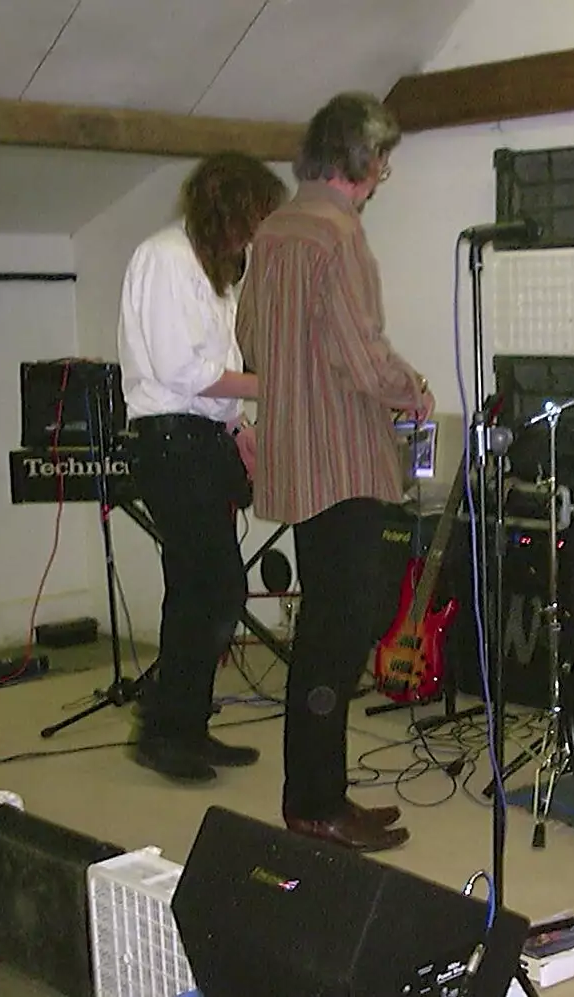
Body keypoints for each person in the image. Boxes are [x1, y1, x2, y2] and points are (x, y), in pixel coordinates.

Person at [237, 92, 432, 852]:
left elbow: (250, 336)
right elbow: (360, 353)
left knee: (323, 629)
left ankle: (316, 795)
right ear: (361, 158)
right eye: (381, 160)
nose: (384, 176)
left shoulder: (275, 229)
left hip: (295, 458)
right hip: (346, 461)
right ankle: (317, 803)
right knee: (342, 632)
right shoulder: (339, 233)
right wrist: (410, 389)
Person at [117, 152, 287, 783]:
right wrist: (275, 386)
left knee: (202, 589)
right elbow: (184, 372)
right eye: (255, 216)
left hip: (199, 440)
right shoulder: (166, 258)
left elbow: (216, 369)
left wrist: (239, 426)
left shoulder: (211, 270)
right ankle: (165, 731)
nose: (259, 232)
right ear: (229, 208)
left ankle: (182, 726)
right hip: (171, 444)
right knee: (210, 589)